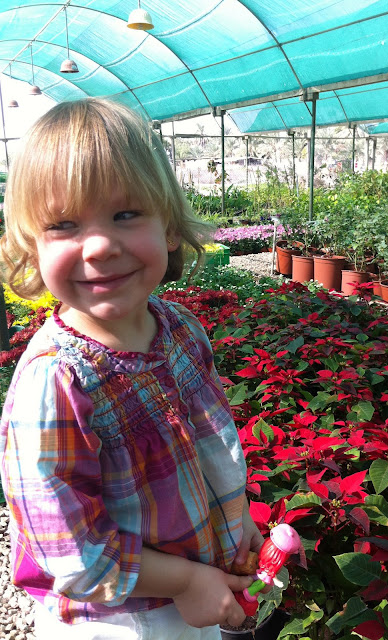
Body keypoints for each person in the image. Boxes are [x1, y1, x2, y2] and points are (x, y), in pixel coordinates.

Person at [0, 98, 264, 640]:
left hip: (193, 589)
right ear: (32, 246)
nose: (99, 246)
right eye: (63, 224)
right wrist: (186, 581)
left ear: (169, 227)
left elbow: (211, 453)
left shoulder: (180, 329)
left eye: (126, 215)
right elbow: (68, 549)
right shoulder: (57, 382)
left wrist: (237, 526)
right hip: (121, 618)